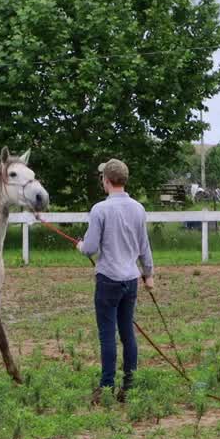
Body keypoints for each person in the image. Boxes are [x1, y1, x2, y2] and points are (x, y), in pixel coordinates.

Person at [76, 159, 155, 403]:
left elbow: (89, 248)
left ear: (106, 181)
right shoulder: (138, 208)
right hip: (131, 279)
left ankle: (107, 386)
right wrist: (148, 274)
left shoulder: (100, 209)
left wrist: (79, 245)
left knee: (107, 336)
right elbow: (144, 246)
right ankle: (129, 386)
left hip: (108, 279)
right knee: (128, 334)